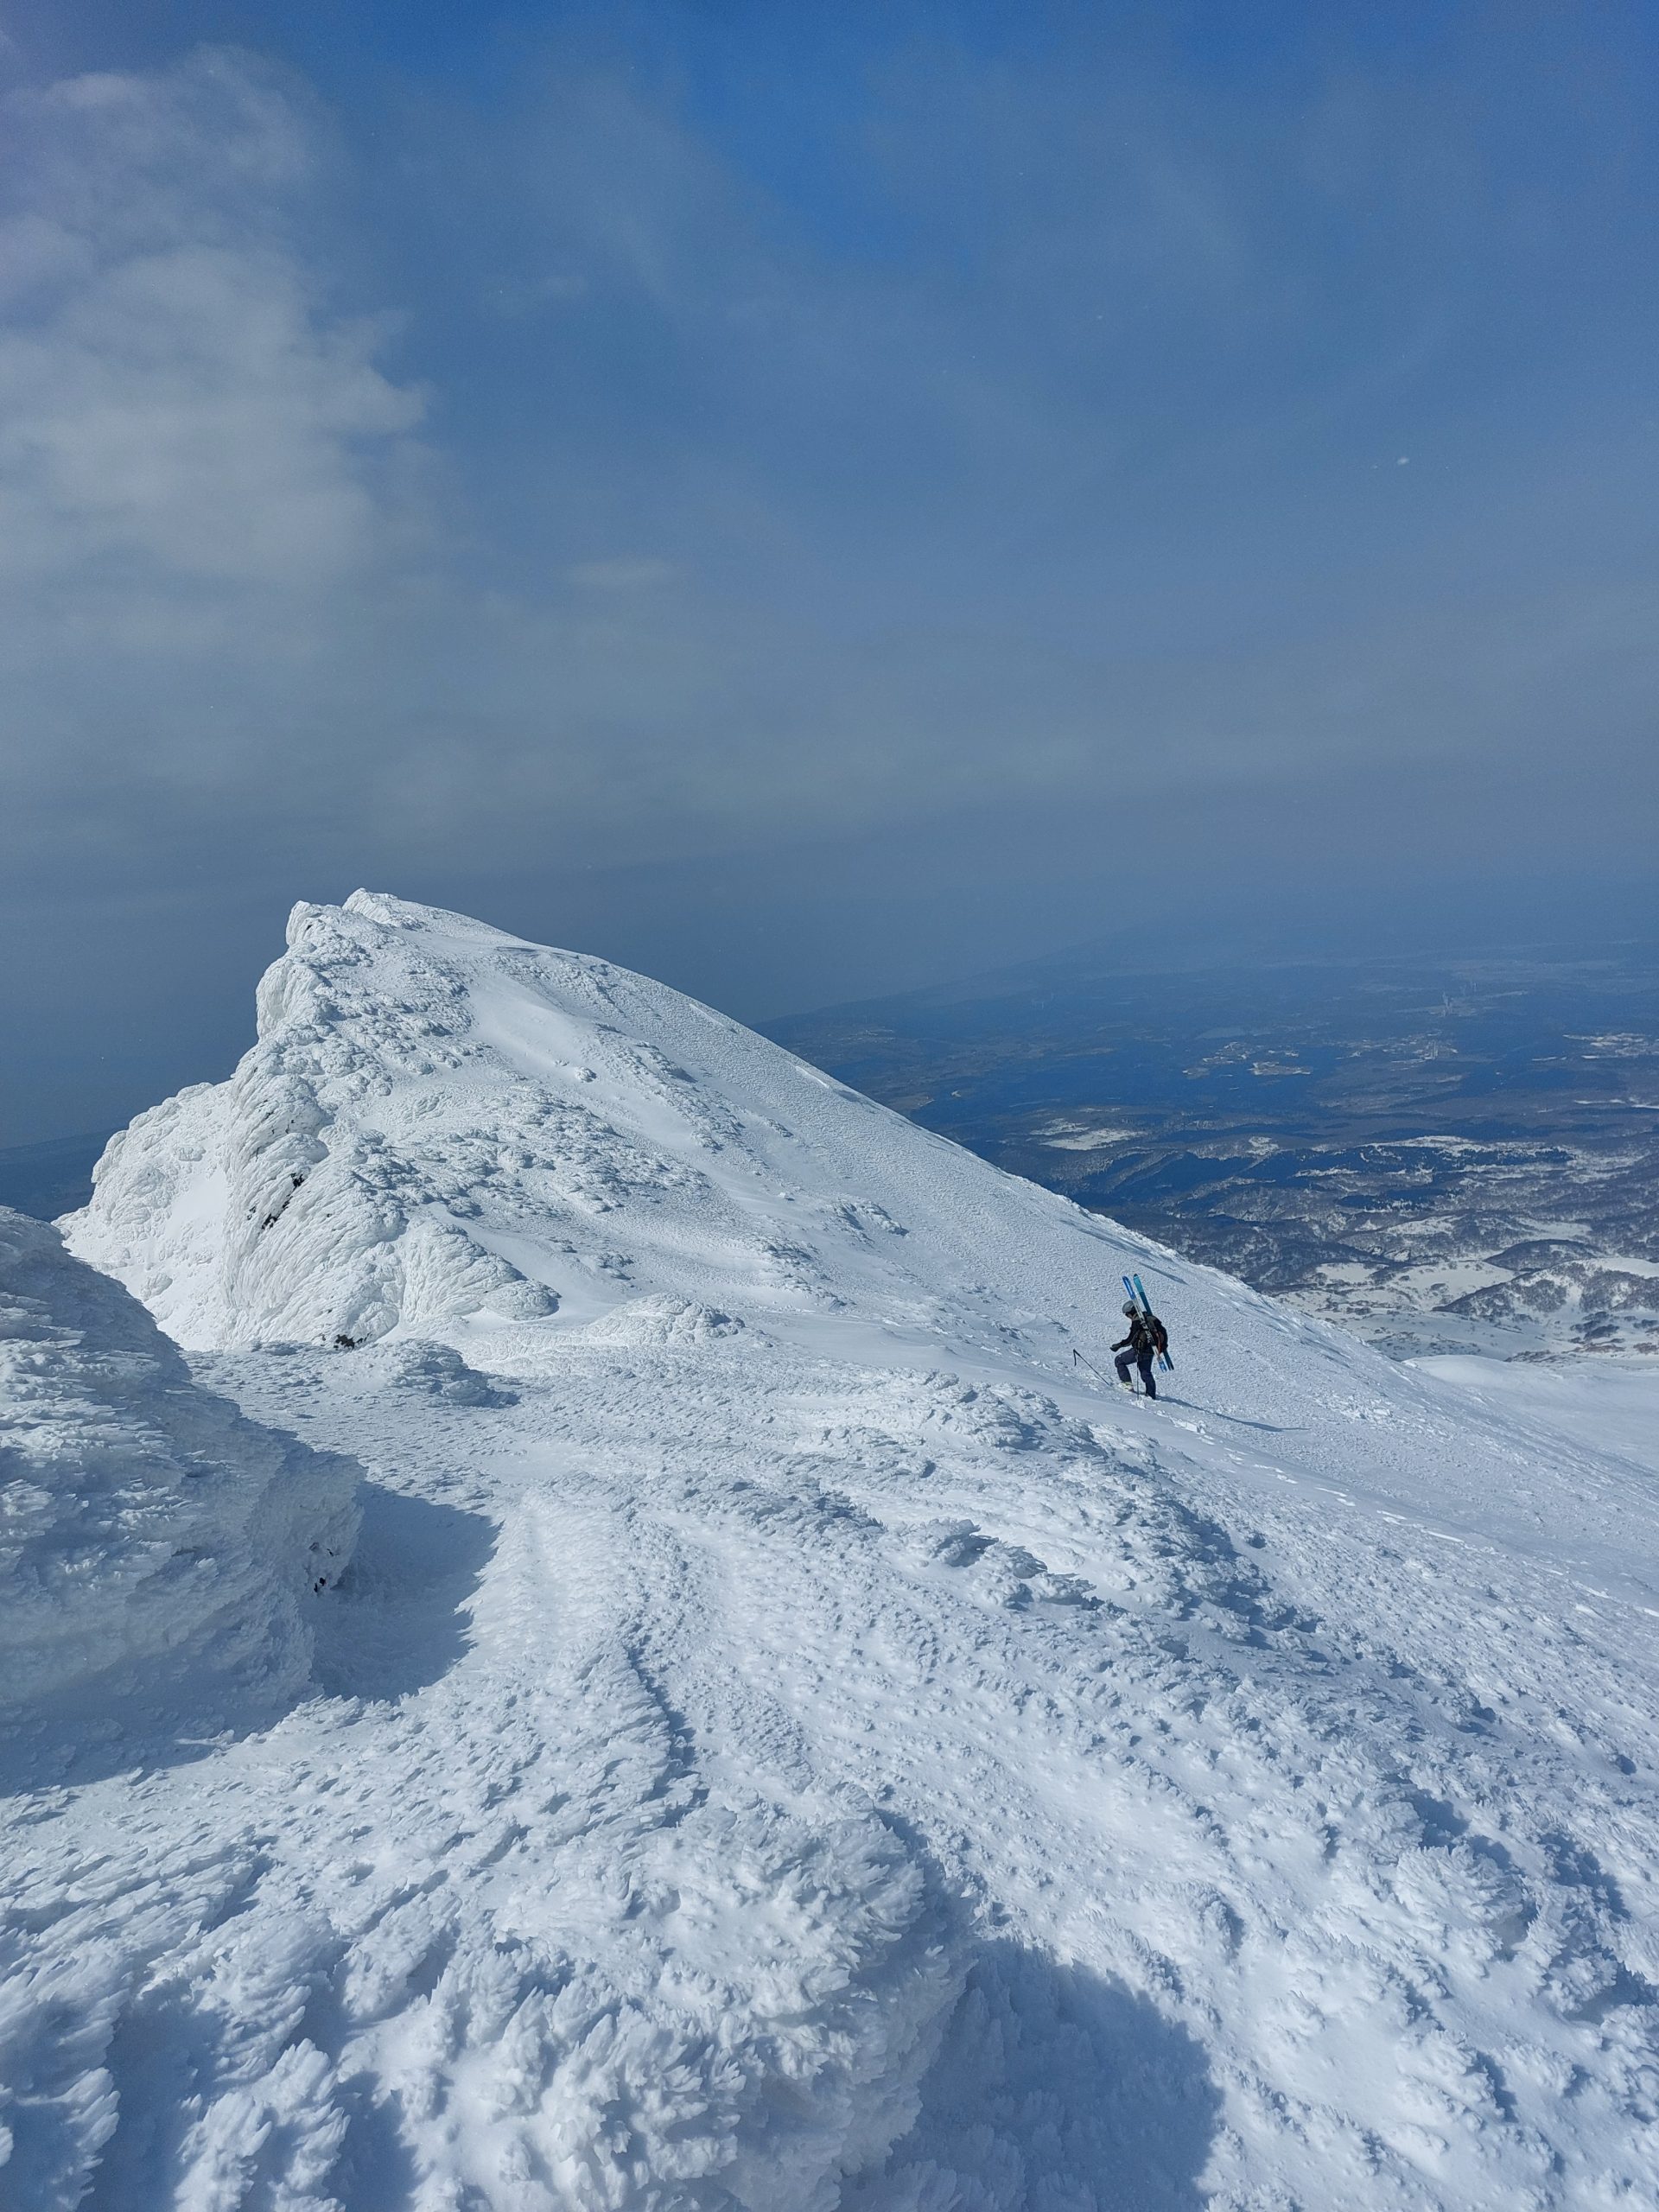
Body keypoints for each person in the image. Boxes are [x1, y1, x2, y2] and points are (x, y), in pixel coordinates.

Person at [1112, 1301, 1165, 1398]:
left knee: (1119, 1360)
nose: (1128, 1317)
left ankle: (1127, 1385)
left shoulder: (1137, 1321)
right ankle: (1151, 1395)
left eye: (1127, 1314)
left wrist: (1119, 1345)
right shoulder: (1149, 1318)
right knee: (1145, 1373)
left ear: (1131, 1312)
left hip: (1140, 1350)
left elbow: (1131, 1338)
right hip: (1151, 1351)